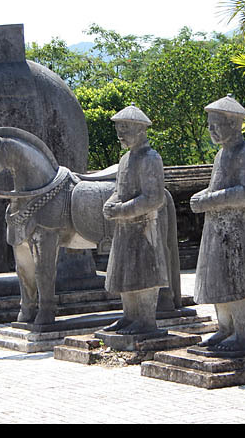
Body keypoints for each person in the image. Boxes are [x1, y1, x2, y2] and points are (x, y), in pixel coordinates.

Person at [191, 94, 245, 352]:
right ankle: (225, 329)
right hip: (217, 227)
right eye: (209, 125)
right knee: (218, 279)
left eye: (216, 124)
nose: (211, 130)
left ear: (234, 124)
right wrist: (204, 196)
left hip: (237, 229)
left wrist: (211, 199)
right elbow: (216, 187)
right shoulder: (221, 155)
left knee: (239, 279)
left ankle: (244, 334)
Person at [102, 105, 169, 336]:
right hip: (125, 226)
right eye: (118, 128)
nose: (120, 134)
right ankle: (129, 316)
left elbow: (153, 198)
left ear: (141, 130)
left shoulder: (150, 158)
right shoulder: (124, 160)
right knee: (125, 272)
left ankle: (146, 319)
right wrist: (111, 203)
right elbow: (120, 190)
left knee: (144, 272)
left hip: (144, 226)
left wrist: (122, 210)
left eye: (126, 128)